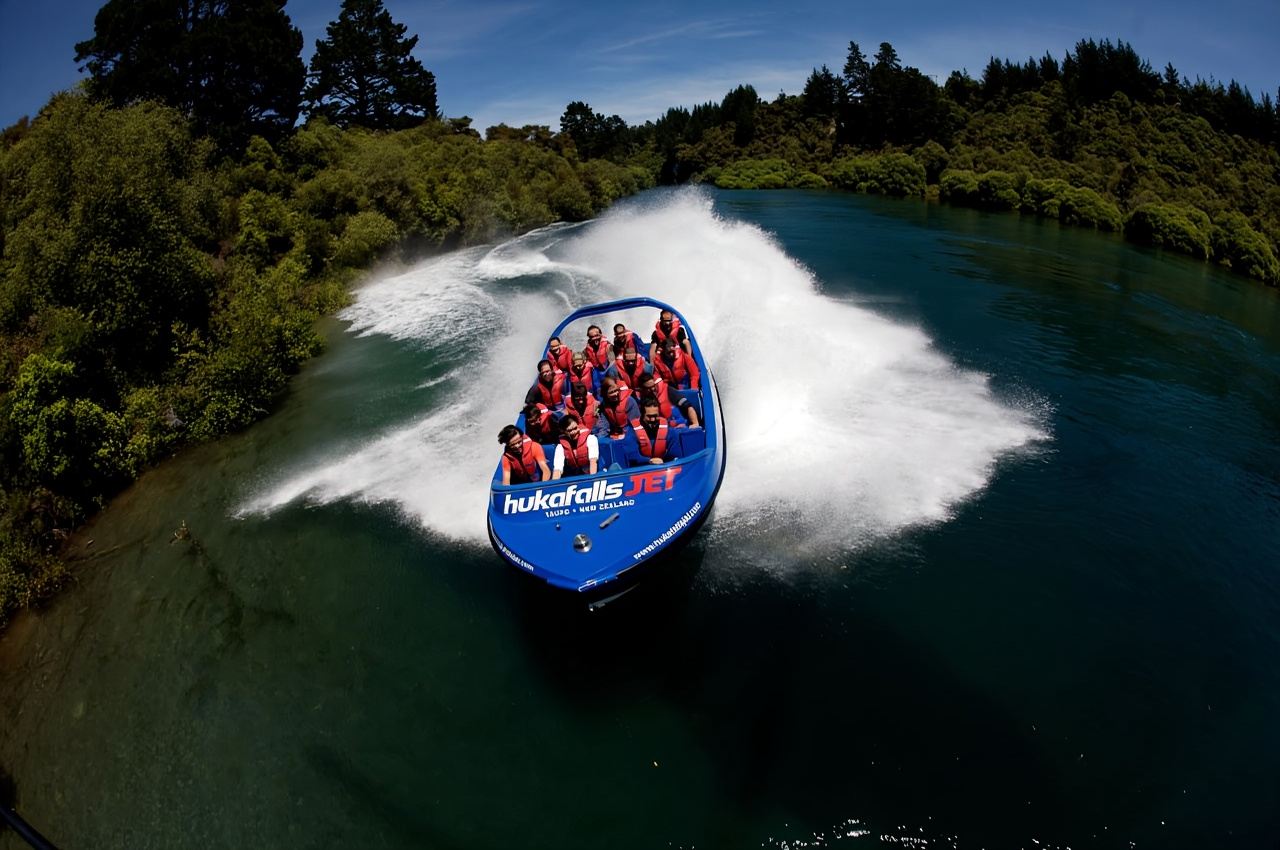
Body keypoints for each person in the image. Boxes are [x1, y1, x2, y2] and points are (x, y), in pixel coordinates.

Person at [636, 371, 700, 428]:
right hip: (659, 429)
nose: (652, 389)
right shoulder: (642, 399)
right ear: (642, 389)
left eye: (653, 386)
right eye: (648, 388)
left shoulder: (668, 390)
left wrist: (695, 423)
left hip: (679, 426)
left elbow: (688, 406)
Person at [628, 398, 676, 465]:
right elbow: (632, 455)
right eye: (649, 416)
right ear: (642, 415)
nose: (653, 419)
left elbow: (674, 453)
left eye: (655, 416)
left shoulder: (669, 430)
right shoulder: (632, 431)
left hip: (664, 466)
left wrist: (663, 461)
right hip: (641, 468)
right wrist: (649, 461)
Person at [552, 414, 599, 479]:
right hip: (575, 474)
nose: (574, 432)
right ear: (564, 432)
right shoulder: (560, 447)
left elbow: (593, 461)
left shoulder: (590, 438)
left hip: (593, 473)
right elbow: (557, 469)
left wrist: (592, 480)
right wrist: (554, 485)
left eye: (575, 428)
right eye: (569, 430)